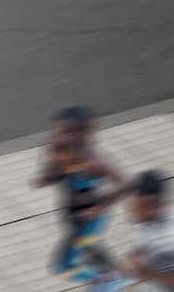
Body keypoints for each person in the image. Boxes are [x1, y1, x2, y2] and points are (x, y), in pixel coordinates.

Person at [33, 105, 130, 288]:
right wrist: (47, 176)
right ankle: (116, 276)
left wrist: (98, 208)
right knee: (91, 250)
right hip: (72, 214)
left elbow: (127, 185)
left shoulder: (95, 161)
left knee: (63, 267)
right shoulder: (57, 148)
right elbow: (55, 173)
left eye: (65, 132)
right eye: (57, 131)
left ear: (84, 133)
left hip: (91, 218)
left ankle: (112, 279)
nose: (58, 136)